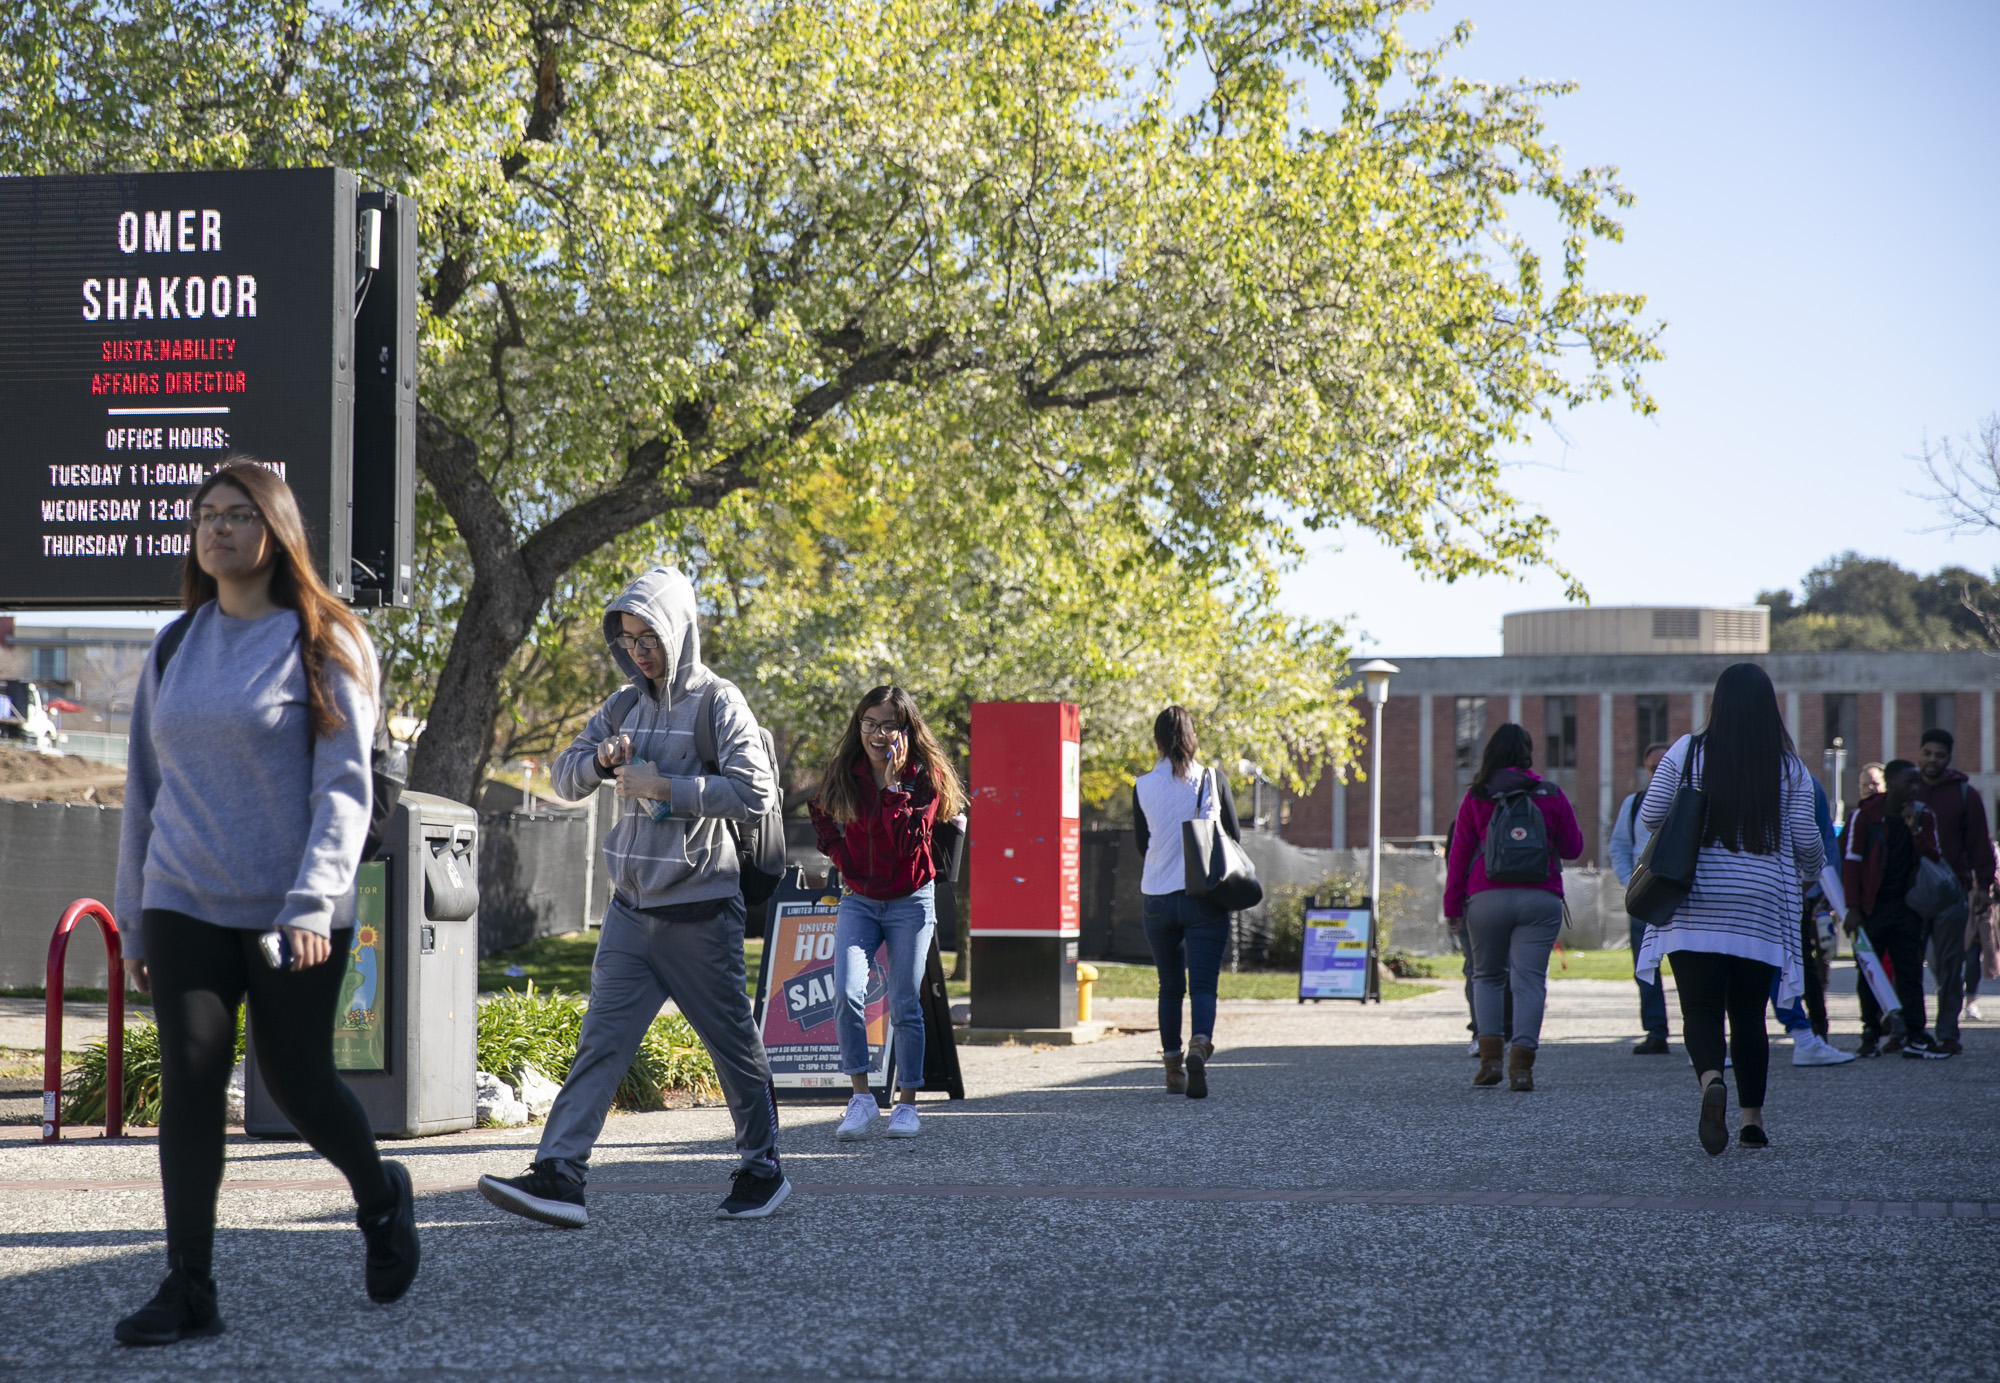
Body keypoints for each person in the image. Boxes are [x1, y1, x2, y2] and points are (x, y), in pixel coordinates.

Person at [113, 461, 417, 1346]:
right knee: (193, 1080)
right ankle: (189, 1286)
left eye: (239, 514)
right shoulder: (173, 647)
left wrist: (314, 900)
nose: (218, 528)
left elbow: (344, 789)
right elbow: (143, 792)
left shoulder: (325, 640)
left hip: (291, 906)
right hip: (183, 898)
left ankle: (379, 1192)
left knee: (298, 1080)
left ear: (276, 530)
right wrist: (135, 913)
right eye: (206, 514)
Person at [478, 566, 789, 1226]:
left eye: (650, 635)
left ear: (678, 630)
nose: (641, 650)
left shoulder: (718, 701)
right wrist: (598, 760)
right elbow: (564, 776)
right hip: (629, 913)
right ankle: (560, 1174)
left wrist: (666, 787)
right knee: (600, 1043)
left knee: (733, 1044)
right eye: (629, 639)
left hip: (700, 911)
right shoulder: (621, 705)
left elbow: (756, 790)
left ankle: (762, 1165)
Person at [1635, 664, 1821, 1155]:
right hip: (1759, 909)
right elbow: (1807, 844)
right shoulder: (1789, 768)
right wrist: (1812, 871)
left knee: (1699, 1009)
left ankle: (1711, 1081)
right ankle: (1751, 1121)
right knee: (1748, 1015)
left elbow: (1651, 814)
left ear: (1717, 702)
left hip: (1693, 901)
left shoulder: (1687, 751)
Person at [809, 687, 967, 1140]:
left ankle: (907, 1104)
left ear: (906, 730)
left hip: (910, 902)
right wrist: (842, 855)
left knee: (904, 1003)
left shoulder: (925, 778)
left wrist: (895, 787)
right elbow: (818, 811)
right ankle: (860, 1097)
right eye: (869, 724)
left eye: (888, 726)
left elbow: (908, 844)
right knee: (845, 992)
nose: (877, 734)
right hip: (859, 899)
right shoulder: (846, 769)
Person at [1444, 723, 1584, 1092]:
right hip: (1540, 899)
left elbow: (1458, 857)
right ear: (1528, 753)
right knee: (1529, 981)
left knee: (1487, 977)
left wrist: (1452, 907)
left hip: (1486, 898)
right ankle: (1522, 1068)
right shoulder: (1550, 794)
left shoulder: (1477, 796)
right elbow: (1573, 848)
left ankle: (1489, 1060)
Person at [1133, 706, 1240, 1099]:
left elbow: (1140, 844)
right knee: (1204, 985)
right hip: (1205, 899)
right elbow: (1233, 839)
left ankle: (1173, 1069)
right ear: (1192, 737)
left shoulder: (1142, 785)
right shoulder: (1212, 780)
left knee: (1169, 986)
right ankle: (1200, 1043)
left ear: (1157, 741)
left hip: (1157, 898)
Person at [1842, 760, 1953, 1060]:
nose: (1914, 788)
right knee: (1869, 972)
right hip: (1871, 909)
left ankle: (1916, 1034)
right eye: (1908, 782)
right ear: (1890, 784)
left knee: (1909, 972)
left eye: (1916, 783)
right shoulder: (1864, 817)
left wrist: (1914, 829)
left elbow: (1934, 855)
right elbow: (1851, 863)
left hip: (1909, 909)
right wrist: (1851, 908)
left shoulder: (1923, 815)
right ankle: (1870, 1033)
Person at [1911, 728, 1994, 1056]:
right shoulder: (1907, 788)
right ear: (1920, 753)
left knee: (1948, 968)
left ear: (1949, 758)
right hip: (1910, 894)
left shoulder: (1964, 794)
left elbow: (1979, 844)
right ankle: (1910, 1031)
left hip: (1951, 893)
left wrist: (1984, 887)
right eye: (1927, 753)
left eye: (1939, 755)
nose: (1932, 760)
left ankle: (1947, 1032)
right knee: (1908, 966)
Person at [1773, 777, 1854, 1066]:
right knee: (1788, 962)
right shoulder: (1797, 776)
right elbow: (1818, 839)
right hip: (1788, 887)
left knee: (1801, 963)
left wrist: (1817, 887)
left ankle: (1813, 1032)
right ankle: (1806, 1034)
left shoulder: (1797, 778)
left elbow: (1819, 838)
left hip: (1795, 890)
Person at [1609, 742, 1672, 1055]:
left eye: (1665, 766)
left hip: (1685, 899)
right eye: (1653, 768)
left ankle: (1701, 1032)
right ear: (1646, 771)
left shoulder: (1693, 801)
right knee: (1645, 967)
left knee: (1695, 968)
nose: (1659, 773)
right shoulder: (1634, 804)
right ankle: (1656, 1030)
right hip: (1645, 897)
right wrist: (1630, 882)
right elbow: (1619, 846)